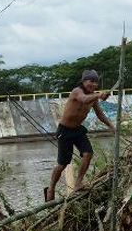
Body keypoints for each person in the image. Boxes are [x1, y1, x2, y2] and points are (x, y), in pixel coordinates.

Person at [45, 69, 115, 201]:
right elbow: (83, 99)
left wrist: (112, 126)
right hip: (65, 131)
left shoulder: (93, 97)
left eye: (96, 82)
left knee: (88, 153)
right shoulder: (77, 91)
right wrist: (99, 95)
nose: (93, 84)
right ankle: (51, 188)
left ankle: (78, 183)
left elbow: (100, 114)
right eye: (91, 81)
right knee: (62, 165)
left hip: (78, 130)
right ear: (84, 81)